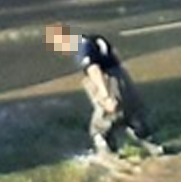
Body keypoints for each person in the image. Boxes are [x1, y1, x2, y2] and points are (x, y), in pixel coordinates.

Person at [44, 23, 165, 164]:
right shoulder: (93, 39)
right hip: (123, 79)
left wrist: (106, 95)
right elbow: (115, 55)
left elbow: (94, 69)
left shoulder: (79, 47)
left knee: (99, 129)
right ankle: (158, 151)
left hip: (109, 83)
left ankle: (112, 162)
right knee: (132, 120)